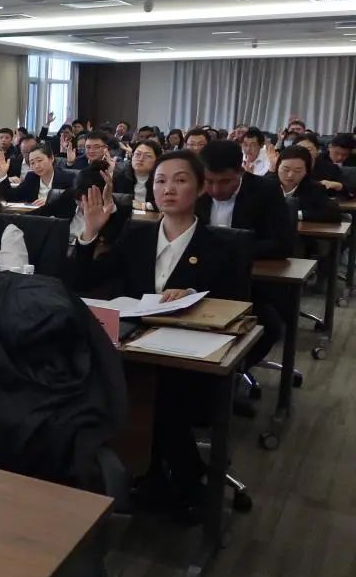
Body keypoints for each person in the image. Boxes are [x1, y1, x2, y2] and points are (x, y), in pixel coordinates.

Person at [71, 151, 244, 516]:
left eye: (180, 180)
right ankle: (130, 474)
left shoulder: (222, 246)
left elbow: (237, 308)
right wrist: (90, 232)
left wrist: (196, 295)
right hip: (133, 348)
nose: (168, 189)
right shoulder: (137, 236)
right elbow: (81, 280)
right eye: (161, 181)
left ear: (200, 188)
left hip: (188, 358)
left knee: (165, 399)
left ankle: (181, 482)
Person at [197, 138, 293, 373]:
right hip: (199, 278)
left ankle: (233, 373)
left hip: (250, 282)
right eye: (209, 181)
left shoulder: (266, 191)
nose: (215, 190)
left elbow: (281, 244)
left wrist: (235, 250)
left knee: (268, 325)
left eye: (225, 181)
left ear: (241, 171)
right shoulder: (196, 189)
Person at [36, 160, 130, 248]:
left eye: (88, 201)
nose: (83, 205)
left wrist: (109, 205)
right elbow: (41, 214)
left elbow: (113, 239)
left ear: (102, 195)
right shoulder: (69, 196)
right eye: (79, 200)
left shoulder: (118, 213)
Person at [274, 145, 340, 224]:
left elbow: (332, 213)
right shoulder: (267, 185)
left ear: (306, 171)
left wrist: (295, 214)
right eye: (286, 169)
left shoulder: (315, 188)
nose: (290, 175)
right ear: (278, 167)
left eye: (297, 171)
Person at [3, 144, 74, 203]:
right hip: (36, 215)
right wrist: (3, 175)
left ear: (51, 158)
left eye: (39, 160)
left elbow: (73, 200)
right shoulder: (31, 178)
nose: (36, 166)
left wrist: (50, 201)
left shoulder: (67, 178)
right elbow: (13, 197)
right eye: (32, 163)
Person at [114, 138, 160, 210]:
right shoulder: (119, 174)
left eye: (147, 156)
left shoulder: (162, 177)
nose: (141, 159)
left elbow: (169, 202)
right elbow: (112, 198)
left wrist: (145, 206)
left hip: (153, 216)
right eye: (137, 154)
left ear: (157, 160)